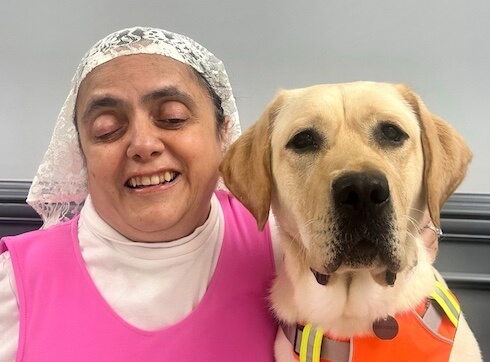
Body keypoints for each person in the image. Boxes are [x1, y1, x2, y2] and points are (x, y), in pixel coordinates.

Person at [0, 26, 441, 361]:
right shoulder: (13, 286)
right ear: (80, 152)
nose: (143, 144)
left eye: (172, 117)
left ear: (223, 134)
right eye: (106, 129)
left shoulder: (279, 238)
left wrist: (406, 228)